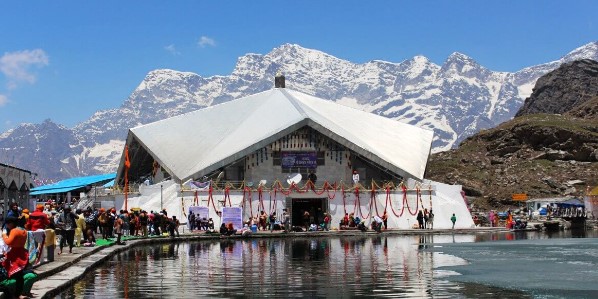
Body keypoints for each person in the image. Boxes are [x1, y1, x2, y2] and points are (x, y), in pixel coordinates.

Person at [2, 216, 29, 299]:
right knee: (19, 276)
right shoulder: (24, 230)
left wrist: (4, 235)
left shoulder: (14, 231)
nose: (7, 226)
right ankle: (18, 294)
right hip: (22, 253)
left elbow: (9, 242)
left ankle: (15, 295)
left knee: (15, 275)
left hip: (14, 255)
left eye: (7, 224)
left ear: (11, 223)